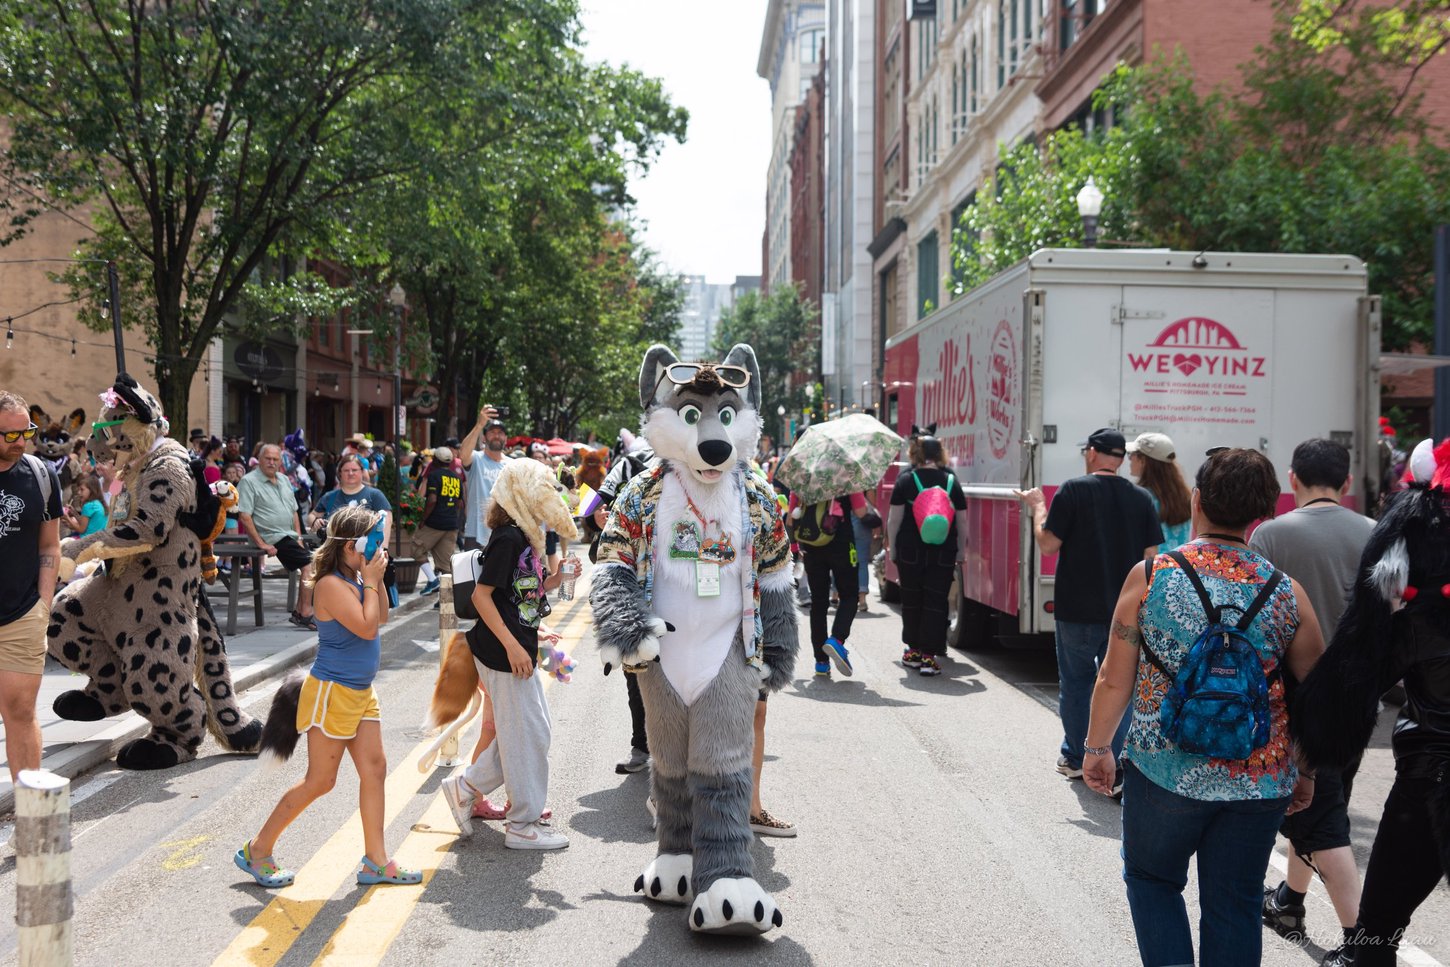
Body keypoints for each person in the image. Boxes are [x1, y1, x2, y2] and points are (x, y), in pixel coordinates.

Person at [1082, 447, 1325, 967]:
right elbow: (1319, 697)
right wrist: (1304, 769)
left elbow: (1112, 678)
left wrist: (1097, 747)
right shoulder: (1287, 594)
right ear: (1263, 512)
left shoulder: (1151, 576)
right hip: (1259, 778)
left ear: (1196, 499)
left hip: (1163, 768)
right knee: (1234, 903)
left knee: (1152, 880)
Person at [1293, 437, 1450, 967]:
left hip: (1431, 776)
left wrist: (1311, 759)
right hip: (1429, 772)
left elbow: (1353, 685)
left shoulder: (1419, 617)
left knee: (1377, 932)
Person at [237, 506, 421, 888]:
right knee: (320, 781)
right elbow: (367, 629)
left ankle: (376, 860)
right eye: (371, 541)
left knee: (375, 770)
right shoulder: (330, 585)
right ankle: (258, 849)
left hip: (360, 692)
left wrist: (376, 578)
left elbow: (382, 616)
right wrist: (371, 580)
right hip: (331, 694)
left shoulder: (356, 578)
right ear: (351, 546)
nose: (377, 548)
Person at [1249, 439, 1374, 957]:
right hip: (1359, 696)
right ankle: (1290, 900)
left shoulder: (1271, 534)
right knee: (1324, 801)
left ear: (1292, 477)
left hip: (1298, 697)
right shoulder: (1374, 533)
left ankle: (1363, 942)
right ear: (1346, 483)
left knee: (1322, 818)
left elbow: (1252, 617)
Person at [441, 459, 577, 850]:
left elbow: (520, 594)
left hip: (516, 649)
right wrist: (515, 645)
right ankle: (522, 825)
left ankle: (466, 788)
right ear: (520, 493)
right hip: (504, 653)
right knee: (527, 736)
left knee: (528, 733)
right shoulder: (508, 538)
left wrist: (558, 580)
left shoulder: (522, 535)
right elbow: (483, 598)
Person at [1015, 427, 1163, 782]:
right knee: (1122, 683)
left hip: (1076, 609)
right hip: (1126, 612)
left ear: (1093, 453)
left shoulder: (1073, 490)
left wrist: (1037, 508)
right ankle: (1120, 758)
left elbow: (1048, 544)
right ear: (1121, 460)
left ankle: (1076, 756)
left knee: (1078, 683)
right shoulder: (1142, 499)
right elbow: (1151, 557)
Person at [0, 392, 61, 780]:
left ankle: (30, 815)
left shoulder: (41, 474)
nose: (21, 441)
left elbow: (50, 544)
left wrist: (43, 602)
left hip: (23, 614)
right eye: (10, 435)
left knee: (21, 713)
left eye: (27, 431)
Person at [593, 437, 655, 774]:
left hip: (681, 582)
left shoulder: (693, 460)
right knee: (635, 666)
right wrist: (599, 518)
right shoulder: (630, 464)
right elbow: (593, 506)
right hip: (632, 579)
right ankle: (641, 746)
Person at [888, 435, 968, 676]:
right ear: (940, 453)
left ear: (916, 454)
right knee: (935, 601)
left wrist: (893, 550)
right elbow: (962, 521)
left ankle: (912, 651)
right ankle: (928, 657)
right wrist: (962, 551)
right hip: (943, 551)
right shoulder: (951, 481)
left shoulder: (905, 481)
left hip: (909, 550)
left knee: (912, 599)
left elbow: (894, 520)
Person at [237, 443, 317, 630]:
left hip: (288, 536)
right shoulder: (249, 482)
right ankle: (305, 612)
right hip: (271, 536)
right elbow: (245, 516)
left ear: (281, 461)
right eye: (268, 459)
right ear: (260, 460)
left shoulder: (284, 479)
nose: (272, 463)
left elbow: (294, 512)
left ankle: (299, 611)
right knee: (310, 564)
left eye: (275, 459)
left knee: (314, 562)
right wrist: (262, 544)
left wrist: (298, 537)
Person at [793, 489, 870, 678]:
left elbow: (792, 516)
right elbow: (861, 511)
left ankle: (821, 663)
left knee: (818, 603)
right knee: (850, 595)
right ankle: (837, 639)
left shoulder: (803, 473)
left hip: (811, 543)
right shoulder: (846, 475)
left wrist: (796, 546)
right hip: (841, 542)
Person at [1126, 432, 1192, 552]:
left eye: (1131, 454)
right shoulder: (1183, 496)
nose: (1129, 458)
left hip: (1150, 568)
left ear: (1143, 460)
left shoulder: (1140, 497)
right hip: (1179, 567)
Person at [412, 446, 463, 597]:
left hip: (434, 522)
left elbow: (432, 500)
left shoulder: (434, 476)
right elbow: (460, 503)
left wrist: (423, 519)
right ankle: (446, 600)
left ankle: (432, 580)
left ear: (434, 460)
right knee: (446, 565)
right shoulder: (457, 478)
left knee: (416, 548)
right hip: (451, 524)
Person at [459, 406, 509, 552]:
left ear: (505, 438)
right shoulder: (476, 459)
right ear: (484, 437)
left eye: (500, 433)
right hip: (476, 533)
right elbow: (463, 454)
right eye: (492, 432)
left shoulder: (511, 465)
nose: (496, 436)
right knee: (473, 575)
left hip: (503, 532)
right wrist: (479, 425)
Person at [309, 454, 392, 529]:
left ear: (362, 472)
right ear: (340, 473)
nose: (350, 473)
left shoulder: (375, 495)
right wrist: (315, 522)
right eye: (346, 470)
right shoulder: (329, 497)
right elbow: (312, 515)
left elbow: (387, 520)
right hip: (333, 545)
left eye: (354, 470)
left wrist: (383, 545)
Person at [62, 472, 108, 537]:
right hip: (97, 539)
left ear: (91, 490)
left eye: (82, 490)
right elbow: (84, 523)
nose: (78, 492)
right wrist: (74, 513)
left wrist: (67, 518)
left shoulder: (88, 506)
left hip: (86, 540)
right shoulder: (98, 503)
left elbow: (81, 530)